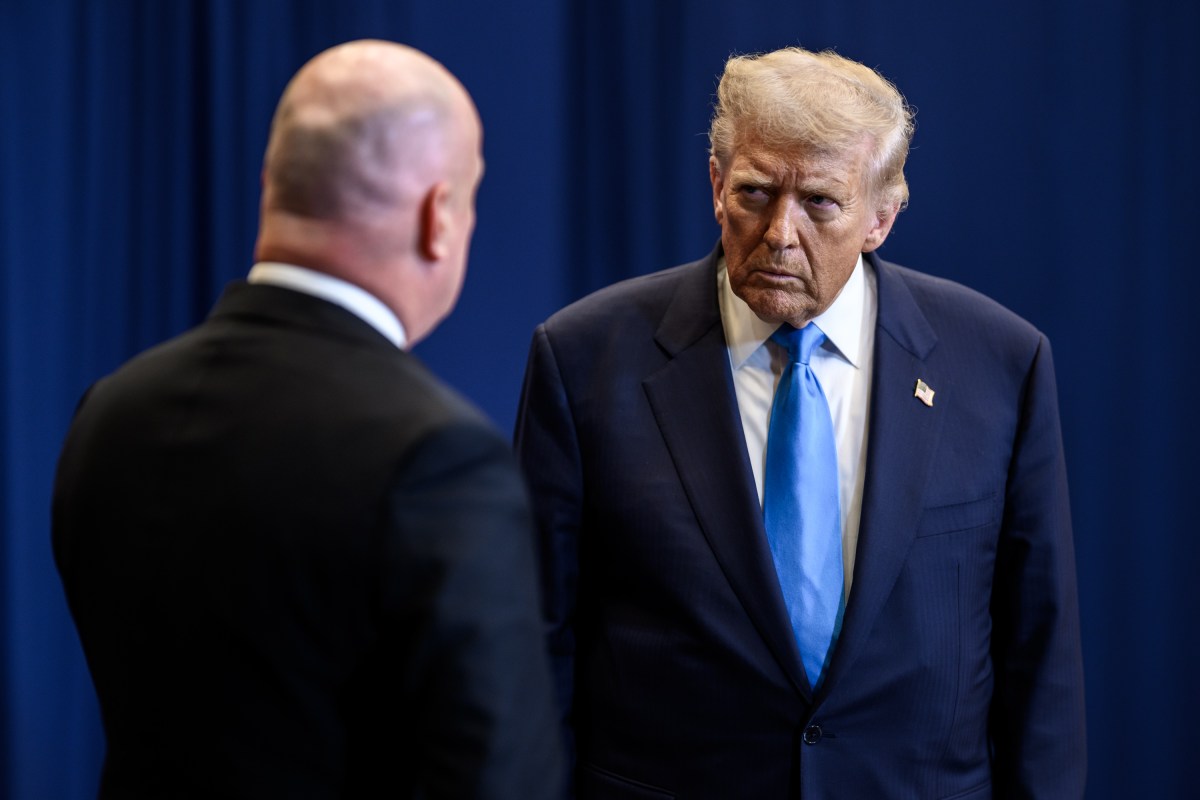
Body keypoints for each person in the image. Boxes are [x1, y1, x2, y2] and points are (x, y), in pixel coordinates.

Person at [516, 46, 1085, 798]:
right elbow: (530, 647)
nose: (780, 233)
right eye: (754, 193)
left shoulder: (999, 364)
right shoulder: (584, 358)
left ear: (881, 216)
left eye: (819, 201)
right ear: (716, 185)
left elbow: (1038, 663)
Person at [53, 39, 563, 799]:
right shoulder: (440, 460)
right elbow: (500, 777)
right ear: (438, 218)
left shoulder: (109, 412)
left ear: (272, 186)